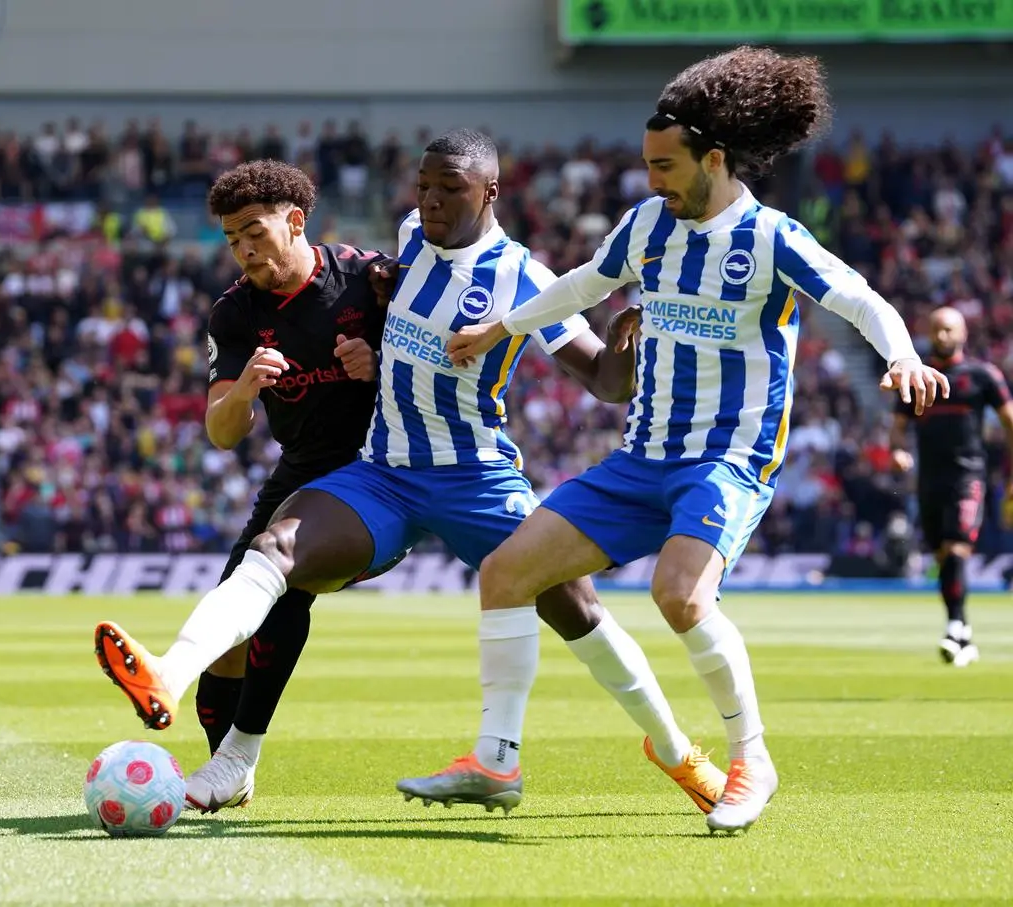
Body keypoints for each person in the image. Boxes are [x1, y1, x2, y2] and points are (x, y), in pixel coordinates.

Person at [98, 129, 726, 818]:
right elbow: (386, 302)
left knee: (575, 609)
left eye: (449, 188)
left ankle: (674, 748)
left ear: (490, 191)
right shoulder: (406, 241)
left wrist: (630, 340)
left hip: (476, 478)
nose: (429, 200)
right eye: (423, 186)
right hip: (384, 475)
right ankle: (170, 673)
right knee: (275, 550)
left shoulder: (524, 276)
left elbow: (603, 379)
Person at [424, 48, 949, 833]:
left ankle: (752, 759)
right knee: (504, 574)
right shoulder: (646, 226)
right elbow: (581, 286)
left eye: (665, 166)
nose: (652, 181)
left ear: (714, 158)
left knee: (680, 595)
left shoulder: (770, 238)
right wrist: (501, 326)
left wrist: (902, 354)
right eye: (646, 166)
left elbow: (858, 296)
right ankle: (496, 758)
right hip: (641, 459)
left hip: (727, 459)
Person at [99, 159, 400, 774]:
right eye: (232, 239)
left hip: (380, 472)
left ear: (295, 222)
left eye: (253, 232)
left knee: (282, 597)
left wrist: (380, 362)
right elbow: (222, 434)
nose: (242, 250)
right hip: (301, 474)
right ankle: (224, 773)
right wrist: (242, 391)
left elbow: (433, 356)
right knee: (227, 645)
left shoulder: (368, 280)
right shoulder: (234, 315)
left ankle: (234, 765)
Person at [890, 306, 1013, 667]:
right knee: (943, 556)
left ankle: (956, 626)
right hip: (929, 479)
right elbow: (898, 426)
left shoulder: (982, 376)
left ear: (963, 333)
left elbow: (1010, 422)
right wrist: (897, 450)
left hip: (968, 477)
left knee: (957, 547)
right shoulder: (916, 376)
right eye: (936, 329)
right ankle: (962, 631)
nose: (942, 336)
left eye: (948, 330)